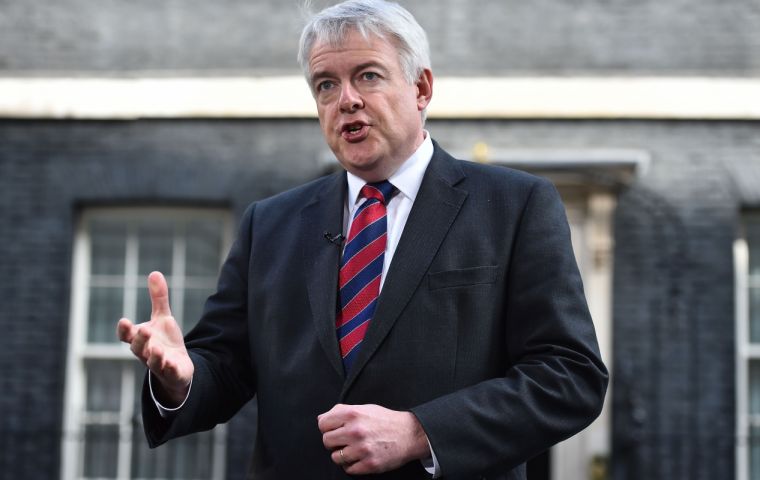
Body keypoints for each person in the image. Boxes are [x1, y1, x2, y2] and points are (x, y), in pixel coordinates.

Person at [117, 0, 608, 478]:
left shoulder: (514, 206)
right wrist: (180, 379)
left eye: (368, 76)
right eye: (325, 85)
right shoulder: (269, 224)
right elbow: (223, 368)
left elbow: (568, 376)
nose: (345, 99)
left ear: (421, 87)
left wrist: (421, 432)